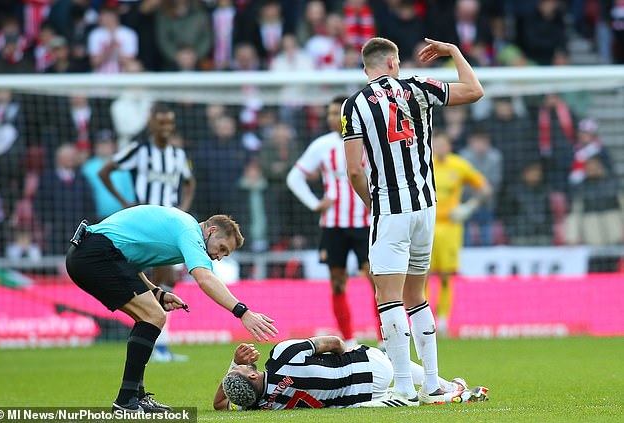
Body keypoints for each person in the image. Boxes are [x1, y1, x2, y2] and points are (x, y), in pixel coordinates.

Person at [342, 37, 484, 405]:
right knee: (417, 297)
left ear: (367, 67)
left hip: (391, 209)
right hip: (426, 209)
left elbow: (355, 172)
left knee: (387, 298)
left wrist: (372, 205)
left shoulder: (354, 104)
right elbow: (474, 90)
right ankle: (433, 383)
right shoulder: (419, 87)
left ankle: (404, 387)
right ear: (392, 63)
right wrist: (454, 52)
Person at [65, 205, 278, 412]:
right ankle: (126, 400)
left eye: (225, 254)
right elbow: (204, 278)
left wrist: (158, 293)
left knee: (150, 316)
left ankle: (135, 397)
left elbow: (129, 264)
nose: (219, 256)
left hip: (94, 253)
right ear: (211, 230)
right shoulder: (190, 231)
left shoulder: (183, 228)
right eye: (222, 248)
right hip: (95, 254)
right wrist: (243, 312)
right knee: (153, 315)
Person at [99, 103, 196, 362]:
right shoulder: (139, 150)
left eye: (170, 123)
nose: (166, 128)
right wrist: (125, 203)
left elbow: (189, 182)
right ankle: (156, 344)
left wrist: (182, 209)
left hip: (169, 225)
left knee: (165, 281)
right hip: (144, 226)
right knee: (153, 281)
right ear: (151, 123)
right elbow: (105, 171)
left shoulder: (177, 154)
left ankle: (158, 344)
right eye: (161, 123)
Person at [286, 95, 380, 347]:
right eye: (328, 113)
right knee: (338, 283)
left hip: (365, 223)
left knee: (376, 281)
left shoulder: (369, 140)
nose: (331, 118)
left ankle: (385, 340)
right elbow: (294, 177)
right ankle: (349, 340)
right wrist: (314, 203)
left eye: (336, 113)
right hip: (333, 225)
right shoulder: (321, 145)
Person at [214, 336, 489, 410]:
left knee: (380, 359)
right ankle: (441, 385)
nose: (240, 364)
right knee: (381, 351)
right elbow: (334, 342)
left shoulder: (261, 406)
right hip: (372, 369)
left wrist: (232, 364)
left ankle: (448, 387)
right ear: (251, 376)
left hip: (364, 397)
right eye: (239, 367)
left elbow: (220, 404)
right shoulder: (281, 354)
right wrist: (346, 356)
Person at [431, 131, 491, 335]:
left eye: (443, 144)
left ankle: (444, 319)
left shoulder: (459, 165)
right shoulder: (423, 163)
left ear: (449, 146)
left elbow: (484, 188)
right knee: (422, 275)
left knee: (446, 276)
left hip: (450, 227)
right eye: (436, 144)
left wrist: (469, 207)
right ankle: (424, 321)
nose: (439, 148)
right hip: (426, 226)